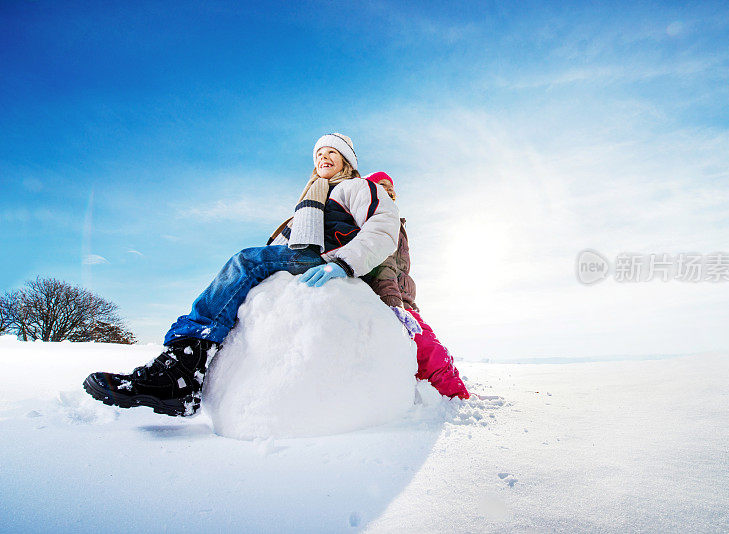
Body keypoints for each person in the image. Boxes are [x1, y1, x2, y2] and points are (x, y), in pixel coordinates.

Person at [83, 134, 400, 416]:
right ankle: (185, 372)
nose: (323, 158)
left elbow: (385, 228)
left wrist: (342, 263)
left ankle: (182, 368)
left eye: (331, 152)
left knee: (245, 261)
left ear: (347, 161)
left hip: (322, 258)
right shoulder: (314, 197)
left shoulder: (357, 187)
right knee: (247, 270)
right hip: (306, 257)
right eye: (318, 154)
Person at [363, 172, 470, 400]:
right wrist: (395, 303)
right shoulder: (380, 218)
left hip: (404, 298)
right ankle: (457, 397)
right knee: (430, 350)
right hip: (392, 297)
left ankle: (440, 395)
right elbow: (385, 263)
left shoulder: (395, 220)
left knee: (429, 347)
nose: (389, 190)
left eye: (391, 188)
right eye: (382, 186)